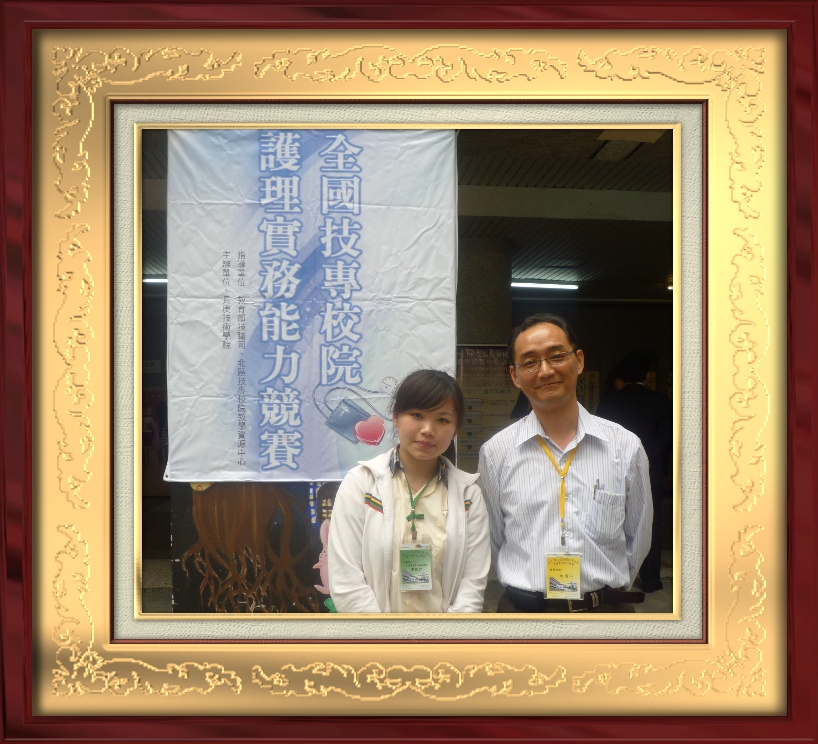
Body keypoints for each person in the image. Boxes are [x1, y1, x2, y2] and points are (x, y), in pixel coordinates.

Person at [478, 314, 653, 613]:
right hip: (523, 614)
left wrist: (603, 590)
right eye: (530, 362)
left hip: (604, 613)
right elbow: (495, 538)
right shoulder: (496, 452)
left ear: (579, 361)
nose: (545, 370)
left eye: (557, 356)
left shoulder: (625, 446)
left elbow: (638, 536)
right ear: (515, 376)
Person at [328, 370, 490, 613]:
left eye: (442, 420)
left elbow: (472, 585)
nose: (428, 429)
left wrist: (448, 635)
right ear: (395, 417)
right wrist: (383, 634)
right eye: (417, 415)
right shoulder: (360, 484)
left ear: (455, 429)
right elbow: (346, 579)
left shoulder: (469, 495)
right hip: (376, 634)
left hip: (445, 635)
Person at [596, 352, 672, 593]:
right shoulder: (660, 401)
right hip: (650, 470)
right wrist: (649, 461)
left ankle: (613, 576)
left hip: (613, 469)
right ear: (647, 376)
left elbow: (600, 437)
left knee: (612, 520)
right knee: (650, 522)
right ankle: (650, 580)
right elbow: (665, 439)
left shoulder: (609, 402)